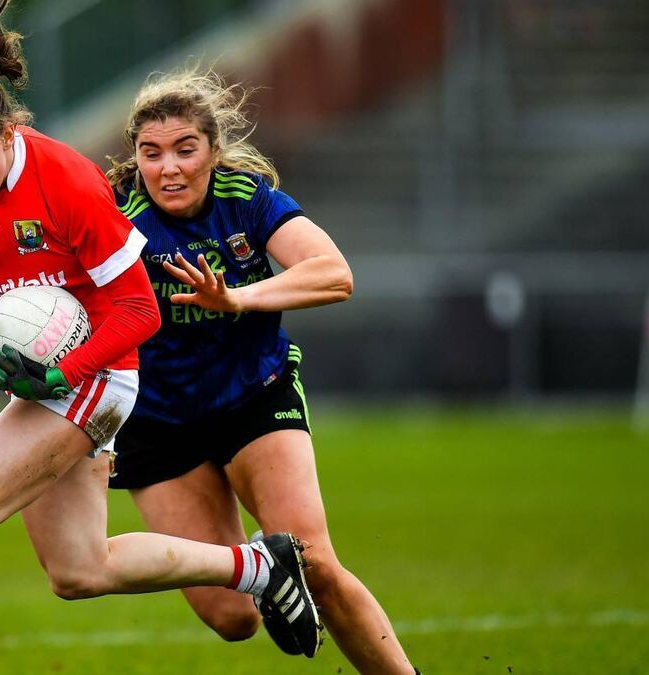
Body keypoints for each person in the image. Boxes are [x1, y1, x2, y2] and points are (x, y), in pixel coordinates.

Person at [0, 3, 318, 673]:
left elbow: (138, 312)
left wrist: (62, 372)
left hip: (99, 371)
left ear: (7, 134)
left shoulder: (68, 181)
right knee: (78, 569)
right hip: (42, 379)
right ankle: (259, 566)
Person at [103, 68, 418, 673]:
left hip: (253, 396)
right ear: (136, 159)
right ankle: (267, 570)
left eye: (185, 149)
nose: (169, 168)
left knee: (317, 565)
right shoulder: (119, 218)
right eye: (151, 153)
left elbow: (334, 274)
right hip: (157, 420)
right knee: (233, 619)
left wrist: (238, 299)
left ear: (213, 151)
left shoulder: (246, 199)